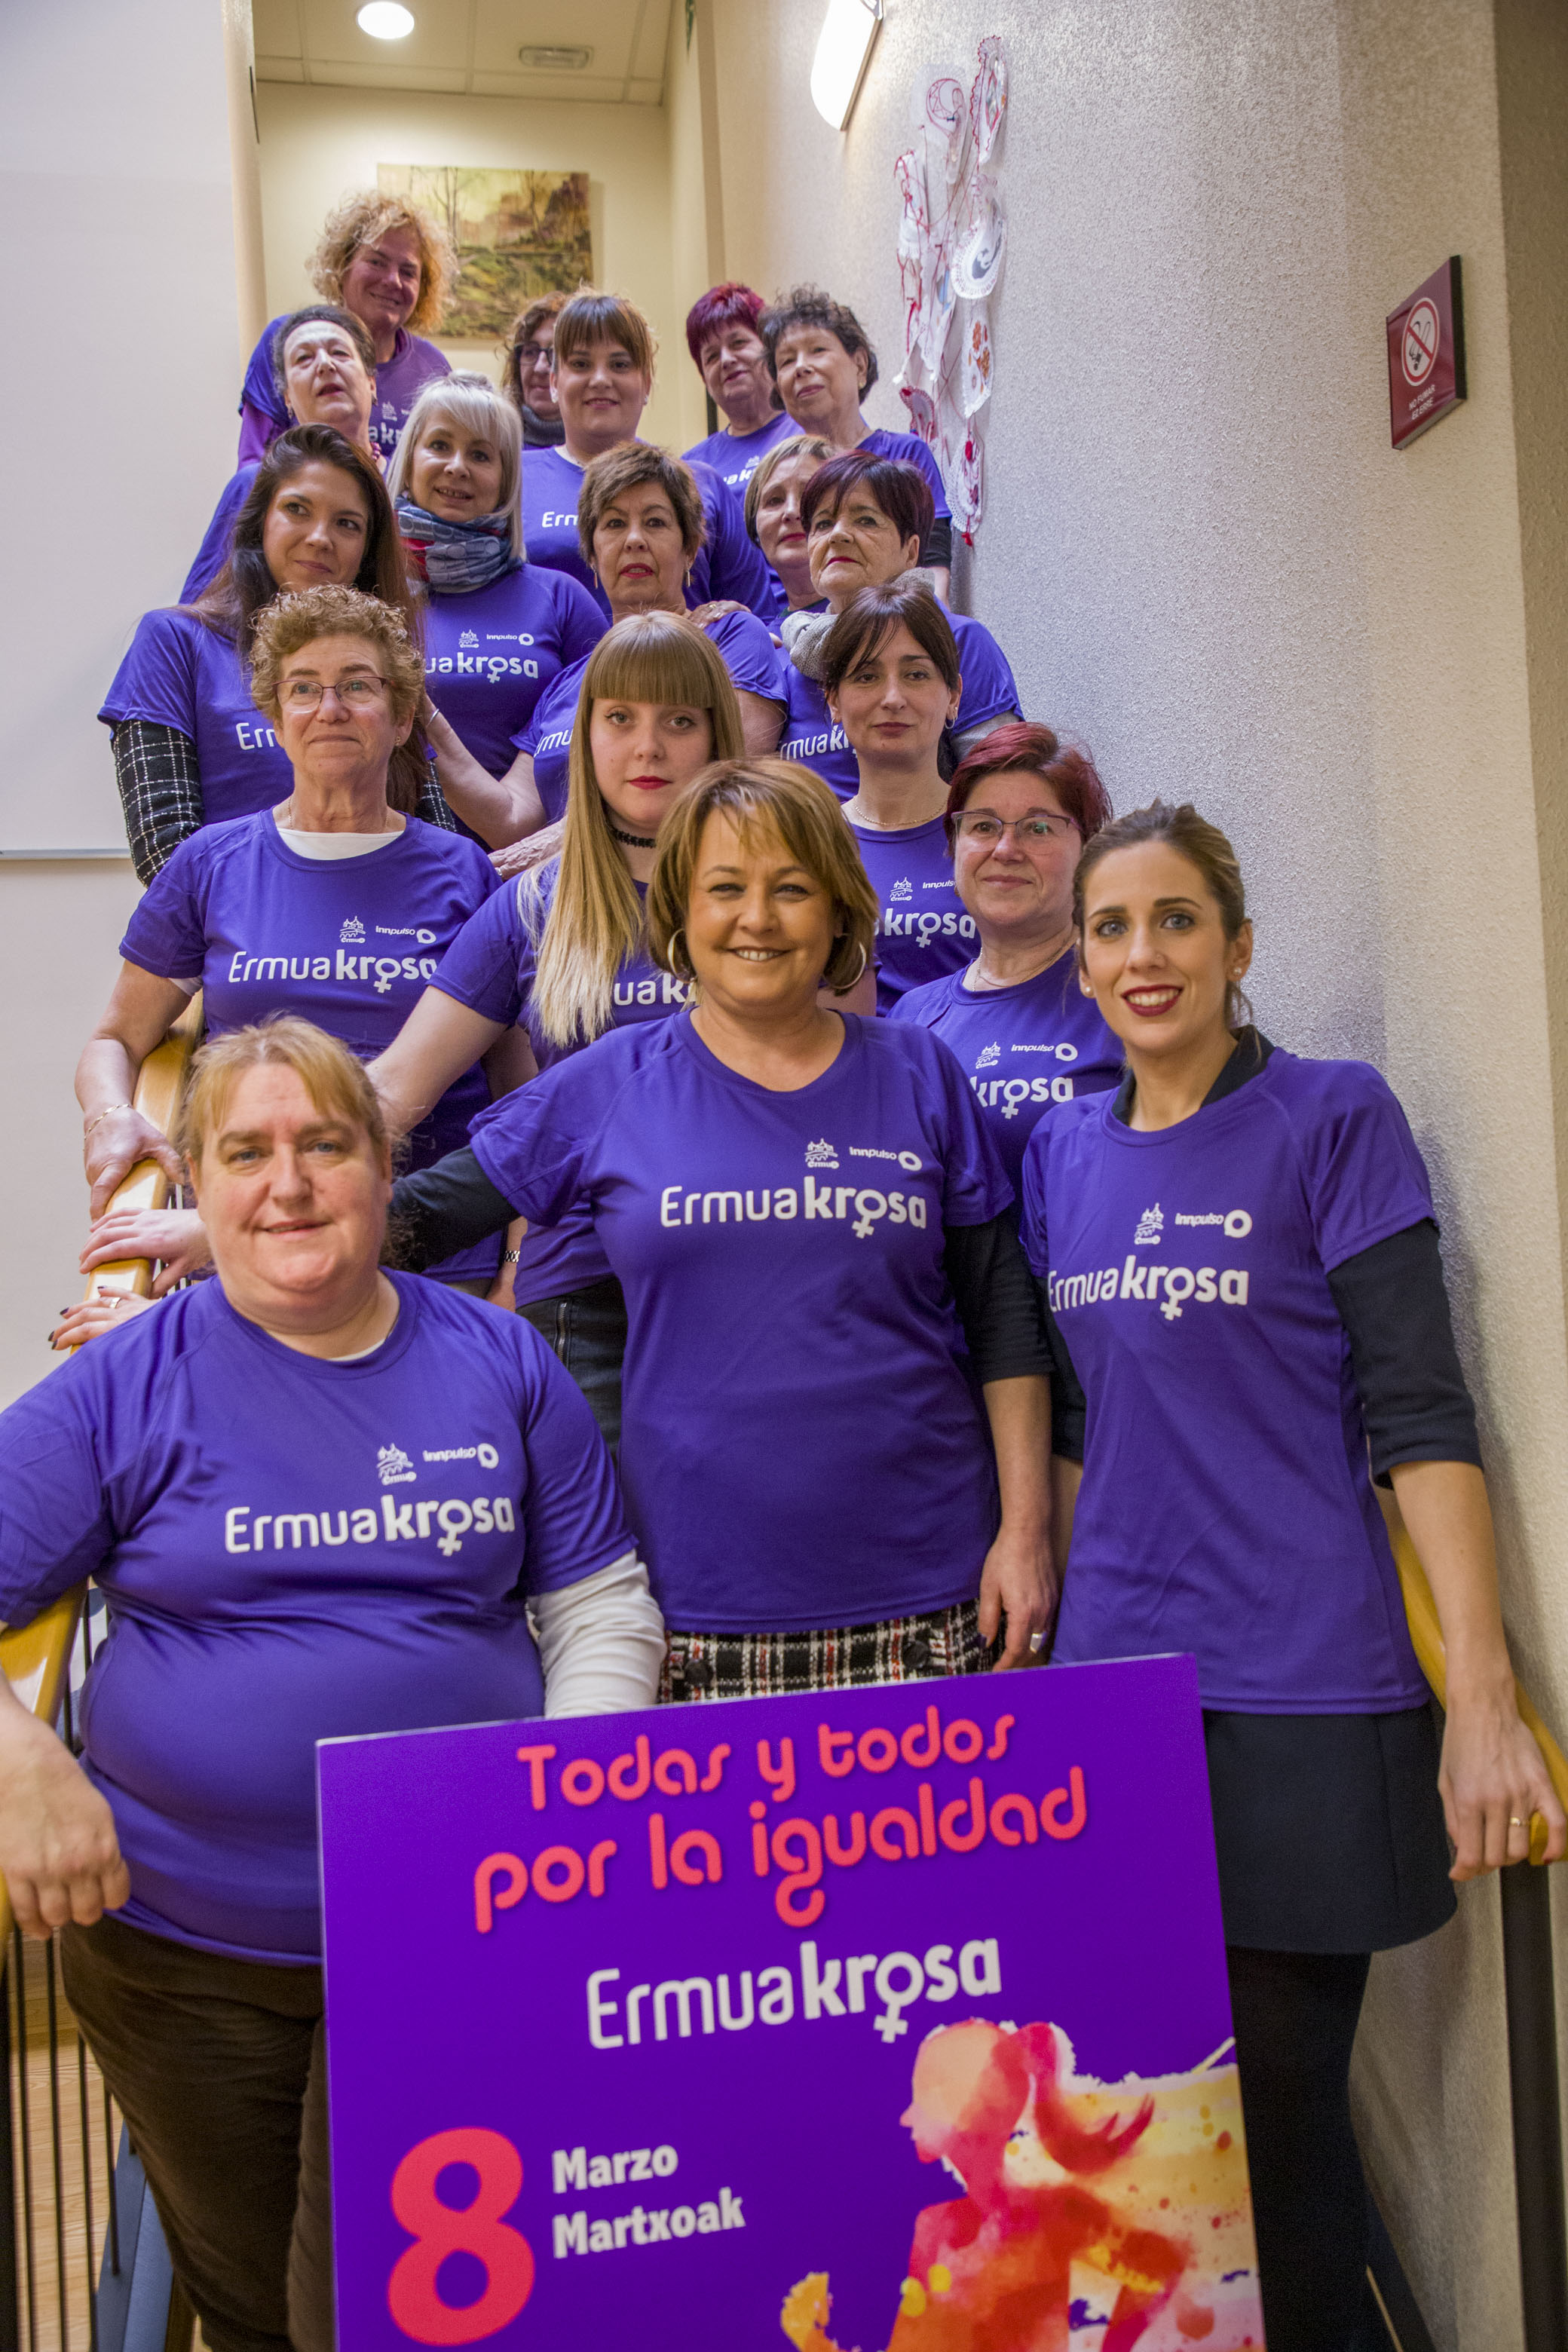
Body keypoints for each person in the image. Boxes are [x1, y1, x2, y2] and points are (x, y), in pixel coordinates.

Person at [2, 1016, 663, 2352]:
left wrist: (558, 1805)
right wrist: (21, 1757)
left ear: (383, 1166)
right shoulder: (124, 1383)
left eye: (324, 1145)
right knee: (258, 2311)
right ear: (197, 1184)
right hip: (188, 1963)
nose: (289, 1185)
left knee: (399, 2316)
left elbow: (599, 1604)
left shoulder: (500, 1360)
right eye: (246, 1153)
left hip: (456, 1937)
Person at [1018, 799, 1568, 2352]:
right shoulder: (1058, 1150)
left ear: (1238, 946)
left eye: (1176, 919)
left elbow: (1419, 1413)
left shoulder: (1330, 1117)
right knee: (1152, 2118)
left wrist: (1481, 1698)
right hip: (1121, 1696)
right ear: (1081, 962)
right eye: (1111, 926)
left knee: (1277, 2123)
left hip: (1306, 1694)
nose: (1143, 952)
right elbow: (1085, 1418)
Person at [390, 758, 1053, 1698]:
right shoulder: (609, 1081)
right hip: (690, 1612)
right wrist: (225, 1245)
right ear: (680, 913)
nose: (757, 918)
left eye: (792, 889)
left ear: (838, 911)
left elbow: (1002, 1318)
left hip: (932, 1596)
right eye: (725, 888)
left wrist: (1024, 1533)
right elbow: (417, 1217)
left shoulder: (919, 1072)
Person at [73, 586, 520, 1318]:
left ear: (402, 717)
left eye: (358, 686)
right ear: (276, 720)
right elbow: (115, 1040)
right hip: (255, 1234)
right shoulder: (210, 863)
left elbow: (516, 1088)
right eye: (303, 689)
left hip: (434, 1248)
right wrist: (111, 1116)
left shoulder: (463, 871)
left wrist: (514, 1266)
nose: (329, 708)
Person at [370, 614, 749, 1445]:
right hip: (585, 1287)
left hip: (748, 1264)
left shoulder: (773, 898)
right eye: (620, 718)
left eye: (678, 720)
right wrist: (249, 1183)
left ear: (717, 737)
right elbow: (394, 1088)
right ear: (584, 736)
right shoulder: (532, 906)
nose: (647, 748)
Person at [101, 424, 446, 884]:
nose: (320, 537)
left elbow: (433, 837)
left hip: (383, 918)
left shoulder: (384, 660)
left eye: (347, 523)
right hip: (231, 927)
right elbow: (165, 854)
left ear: (367, 550)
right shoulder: (173, 642)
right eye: (297, 509)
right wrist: (299, 914)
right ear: (261, 521)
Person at [495, 446, 786, 834]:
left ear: (689, 550)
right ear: (592, 556)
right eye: (615, 524)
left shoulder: (731, 636)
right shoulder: (568, 681)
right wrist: (430, 724)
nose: (634, 539)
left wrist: (557, 842)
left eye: (655, 522)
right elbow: (511, 818)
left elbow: (725, 779)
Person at [891, 726, 1122, 1188]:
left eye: (1039, 828)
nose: (1006, 850)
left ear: (1090, 854)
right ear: (953, 848)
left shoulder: (1126, 999)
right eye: (983, 826)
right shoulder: (911, 1017)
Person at [385, 374, 605, 846]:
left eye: (481, 455)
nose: (457, 467)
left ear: (506, 480)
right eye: (439, 445)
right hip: (397, 861)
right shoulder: (371, 597)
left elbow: (608, 744)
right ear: (409, 463)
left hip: (537, 864)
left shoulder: (562, 598)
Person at [521, 288, 776, 622]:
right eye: (581, 364)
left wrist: (728, 622)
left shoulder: (702, 485)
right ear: (555, 382)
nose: (600, 379)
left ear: (646, 383)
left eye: (619, 364)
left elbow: (761, 621)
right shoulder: (516, 481)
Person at [778, 453, 1018, 798]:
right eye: (823, 524)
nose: (838, 535)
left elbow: (1002, 790)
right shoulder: (789, 659)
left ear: (911, 551)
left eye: (866, 520)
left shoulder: (959, 639)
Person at [819, 580, 975, 1014]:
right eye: (866, 676)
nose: (892, 698)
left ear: (953, 695)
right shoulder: (808, 842)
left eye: (916, 675)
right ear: (833, 701)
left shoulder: (993, 835)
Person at [758, 284, 952, 597]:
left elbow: (933, 571)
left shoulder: (903, 454)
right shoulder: (778, 479)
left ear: (859, 365)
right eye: (786, 362)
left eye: (817, 350)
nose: (801, 368)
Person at [183, 305, 384, 605]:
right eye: (304, 358)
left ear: (372, 382)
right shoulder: (252, 483)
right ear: (287, 397)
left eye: (339, 353)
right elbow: (197, 611)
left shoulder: (405, 485)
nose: (325, 365)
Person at [237, 191, 455, 462]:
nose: (393, 280)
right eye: (376, 262)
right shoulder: (286, 342)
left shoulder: (433, 368)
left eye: (408, 272)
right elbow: (253, 464)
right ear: (342, 267)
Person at [681, 282, 796, 492]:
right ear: (704, 378)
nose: (726, 360)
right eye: (712, 356)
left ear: (769, 349)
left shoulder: (810, 428)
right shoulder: (690, 468)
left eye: (738, 343)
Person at [501, 289, 569, 449]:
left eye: (555, 353)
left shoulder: (612, 452)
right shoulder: (494, 445)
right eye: (530, 352)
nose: (540, 368)